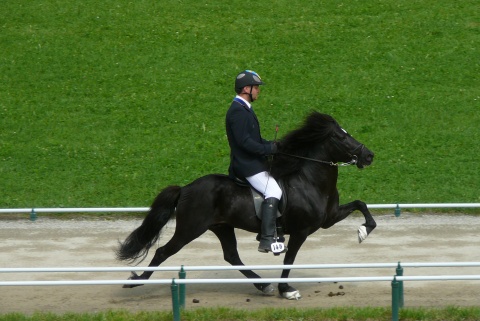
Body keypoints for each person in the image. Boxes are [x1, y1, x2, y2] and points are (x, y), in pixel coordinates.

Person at [225, 70, 285, 253]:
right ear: (246, 89)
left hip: (252, 162)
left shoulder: (244, 109)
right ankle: (266, 239)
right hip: (246, 165)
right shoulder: (237, 112)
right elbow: (245, 143)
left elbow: (255, 140)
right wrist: (269, 149)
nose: (258, 91)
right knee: (273, 189)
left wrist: (274, 145)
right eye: (256, 87)